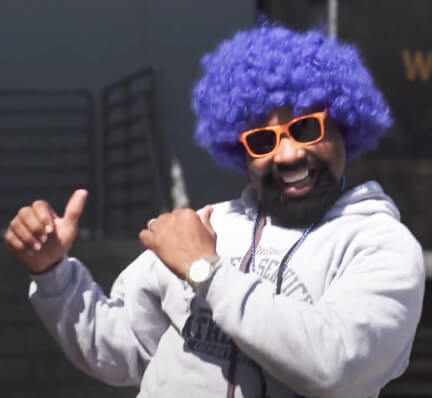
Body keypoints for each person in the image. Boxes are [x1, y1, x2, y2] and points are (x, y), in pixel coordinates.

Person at [4, 23, 425, 398]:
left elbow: (336, 366)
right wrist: (52, 272)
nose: (288, 154)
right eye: (262, 141)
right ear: (240, 153)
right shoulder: (207, 226)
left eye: (305, 128)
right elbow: (117, 352)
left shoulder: (380, 245)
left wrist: (206, 271)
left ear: (344, 130)